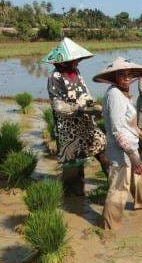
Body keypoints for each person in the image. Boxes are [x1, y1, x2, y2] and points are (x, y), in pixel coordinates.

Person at [93, 57, 142, 230]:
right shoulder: (114, 95)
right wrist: (133, 156)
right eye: (122, 75)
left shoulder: (123, 95)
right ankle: (108, 226)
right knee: (119, 187)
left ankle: (140, 204)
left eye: (129, 75)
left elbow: (131, 125)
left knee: (137, 177)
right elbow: (117, 130)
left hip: (130, 147)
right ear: (114, 77)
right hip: (121, 151)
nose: (126, 78)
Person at [44, 38, 110, 196]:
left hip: (87, 124)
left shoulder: (77, 73)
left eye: (78, 59)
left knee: (103, 150)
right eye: (75, 60)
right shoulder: (55, 77)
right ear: (65, 61)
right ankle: (74, 199)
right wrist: (80, 109)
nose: (78, 62)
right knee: (73, 165)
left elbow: (85, 94)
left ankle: (114, 187)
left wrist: (94, 106)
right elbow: (58, 106)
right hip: (69, 129)